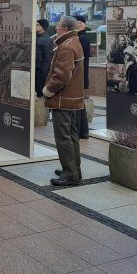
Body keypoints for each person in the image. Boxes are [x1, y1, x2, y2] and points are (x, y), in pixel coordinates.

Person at [42, 16, 84, 186]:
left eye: (58, 26)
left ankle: (70, 173)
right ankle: (74, 169)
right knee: (71, 135)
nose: (56, 28)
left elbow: (61, 75)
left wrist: (48, 90)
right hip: (72, 99)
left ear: (65, 29)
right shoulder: (74, 42)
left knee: (63, 137)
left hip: (63, 99)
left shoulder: (66, 46)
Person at [73, 15, 91, 139]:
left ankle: (82, 130)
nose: (78, 25)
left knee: (79, 103)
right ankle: (82, 130)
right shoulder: (79, 37)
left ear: (84, 24)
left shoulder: (82, 38)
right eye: (76, 23)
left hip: (79, 75)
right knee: (79, 103)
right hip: (80, 75)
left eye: (80, 23)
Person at [35, 19, 53, 98]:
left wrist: (44, 73)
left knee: (42, 92)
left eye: (37, 25)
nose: (35, 26)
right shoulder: (36, 37)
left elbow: (48, 58)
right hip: (36, 69)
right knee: (38, 91)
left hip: (41, 71)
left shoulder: (46, 39)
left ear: (43, 27)